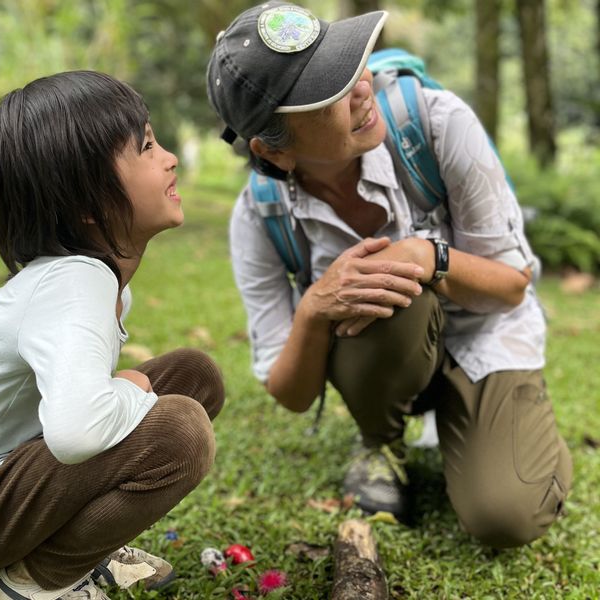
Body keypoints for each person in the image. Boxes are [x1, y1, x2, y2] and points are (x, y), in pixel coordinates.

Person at [206, 1, 571, 547]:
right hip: (388, 357)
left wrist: (431, 257)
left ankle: (476, 419)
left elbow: (513, 284)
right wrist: (314, 308)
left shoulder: (437, 124)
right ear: (273, 151)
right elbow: (289, 392)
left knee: (505, 516)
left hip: (486, 336)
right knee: (375, 289)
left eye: (351, 65)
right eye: (331, 92)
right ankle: (382, 441)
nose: (361, 88)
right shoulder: (260, 216)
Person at [0, 71, 225, 600]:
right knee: (180, 429)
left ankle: (84, 542)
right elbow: (78, 433)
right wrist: (133, 391)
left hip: (11, 471)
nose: (168, 158)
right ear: (88, 206)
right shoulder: (75, 281)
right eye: (145, 147)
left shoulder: (94, 280)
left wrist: (125, 390)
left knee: (193, 375)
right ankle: (38, 582)